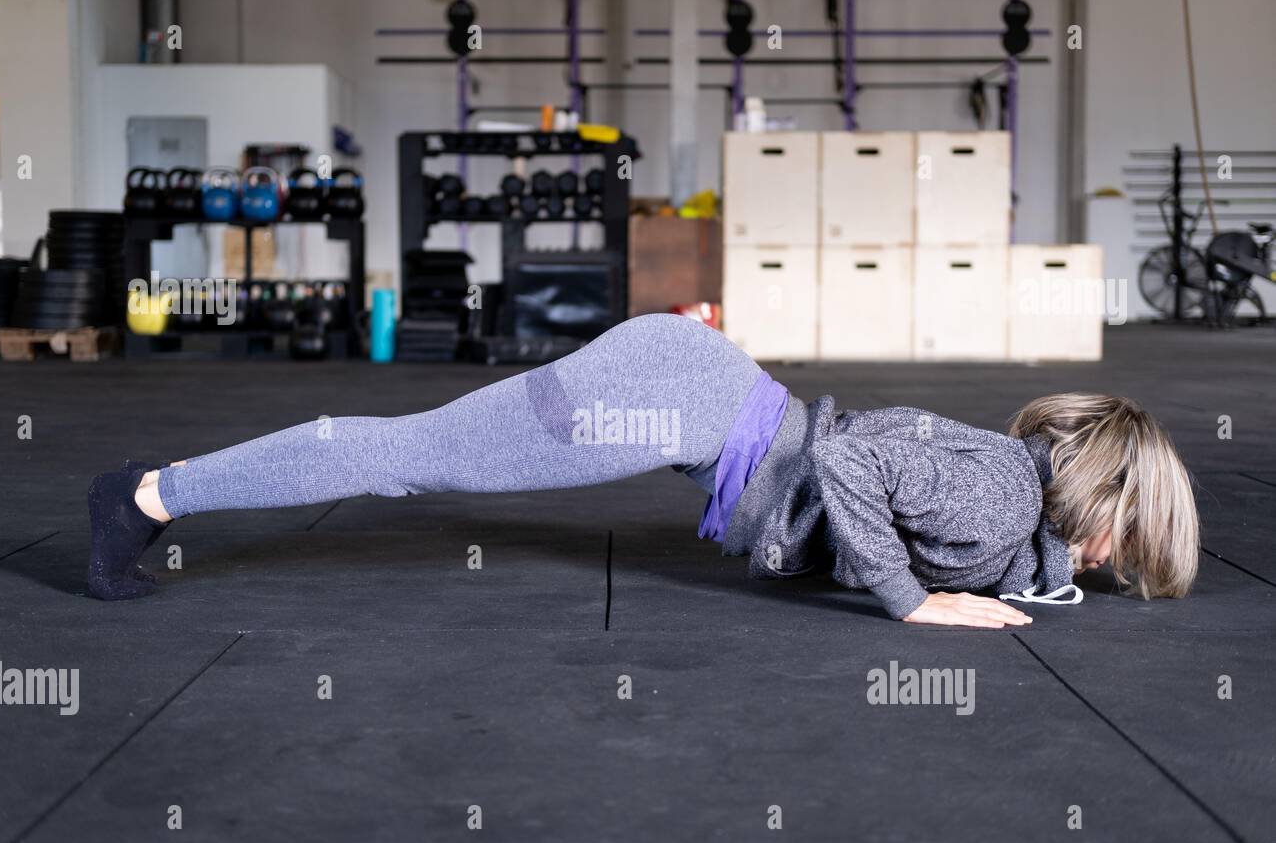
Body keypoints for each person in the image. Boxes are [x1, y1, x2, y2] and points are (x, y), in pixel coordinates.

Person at [87, 313, 1199, 627]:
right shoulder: (1005, 488)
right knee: (408, 458)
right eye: (1120, 548)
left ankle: (158, 483)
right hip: (676, 393)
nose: (1105, 567)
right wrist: (911, 603)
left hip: (690, 382)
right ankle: (147, 493)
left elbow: (990, 548)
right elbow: (854, 461)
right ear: (1094, 497)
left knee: (411, 451)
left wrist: (1002, 579)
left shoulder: (1011, 489)